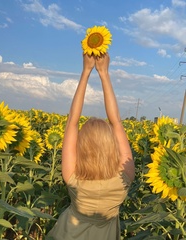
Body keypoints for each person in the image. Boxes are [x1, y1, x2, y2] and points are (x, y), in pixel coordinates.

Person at [47, 53, 135, 240]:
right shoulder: (124, 176)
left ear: (82, 146)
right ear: (112, 146)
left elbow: (72, 120)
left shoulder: (73, 176)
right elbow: (116, 122)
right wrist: (104, 73)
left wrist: (86, 71)